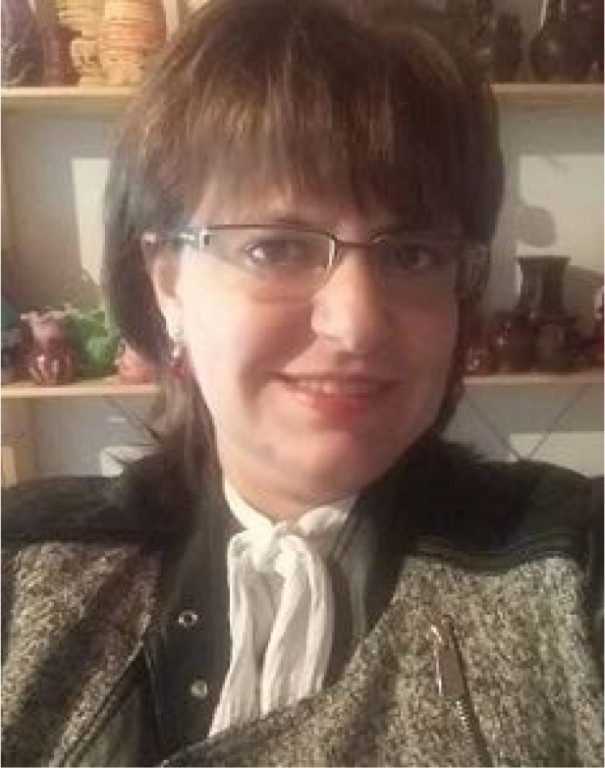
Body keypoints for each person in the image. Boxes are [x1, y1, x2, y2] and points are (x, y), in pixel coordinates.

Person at [2, 0, 602, 765]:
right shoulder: (26, 567)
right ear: (166, 283)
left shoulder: (567, 562)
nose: (356, 324)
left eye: (412, 254)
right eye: (276, 248)